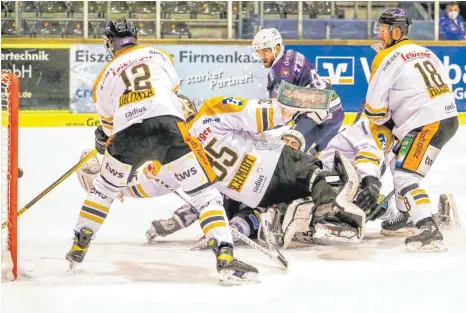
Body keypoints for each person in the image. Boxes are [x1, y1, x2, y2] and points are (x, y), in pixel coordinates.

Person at [66, 19, 258, 283]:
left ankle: (80, 243)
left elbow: (108, 127)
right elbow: (171, 93)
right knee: (205, 194)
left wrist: (104, 138)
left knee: (103, 189)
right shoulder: (159, 55)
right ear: (134, 38)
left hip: (127, 136)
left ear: (109, 44)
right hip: (168, 127)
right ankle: (224, 255)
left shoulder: (103, 77)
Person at [366, 9, 459, 251]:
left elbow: (374, 110)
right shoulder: (426, 51)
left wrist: (389, 121)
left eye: (384, 30)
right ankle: (407, 215)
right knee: (399, 159)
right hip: (447, 117)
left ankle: (428, 228)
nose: (380, 35)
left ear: (397, 32)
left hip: (426, 122)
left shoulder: (386, 58)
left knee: (405, 175)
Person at [252, 28, 345, 155]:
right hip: (334, 112)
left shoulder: (280, 72)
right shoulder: (290, 54)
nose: (262, 56)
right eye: (259, 52)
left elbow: (281, 113)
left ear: (277, 48)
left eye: (266, 51)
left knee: (288, 155)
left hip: (318, 115)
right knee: (309, 158)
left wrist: (256, 127)